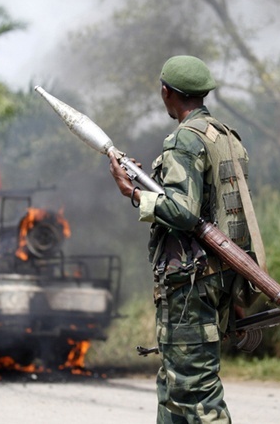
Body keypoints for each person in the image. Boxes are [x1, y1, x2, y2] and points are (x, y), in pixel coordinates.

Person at [109, 55, 259, 424]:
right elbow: (234, 217)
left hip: (191, 283)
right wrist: (235, 288)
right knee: (174, 389)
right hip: (220, 276)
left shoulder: (183, 142)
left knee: (194, 390)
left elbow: (184, 213)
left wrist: (132, 192)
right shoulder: (226, 138)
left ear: (166, 92)